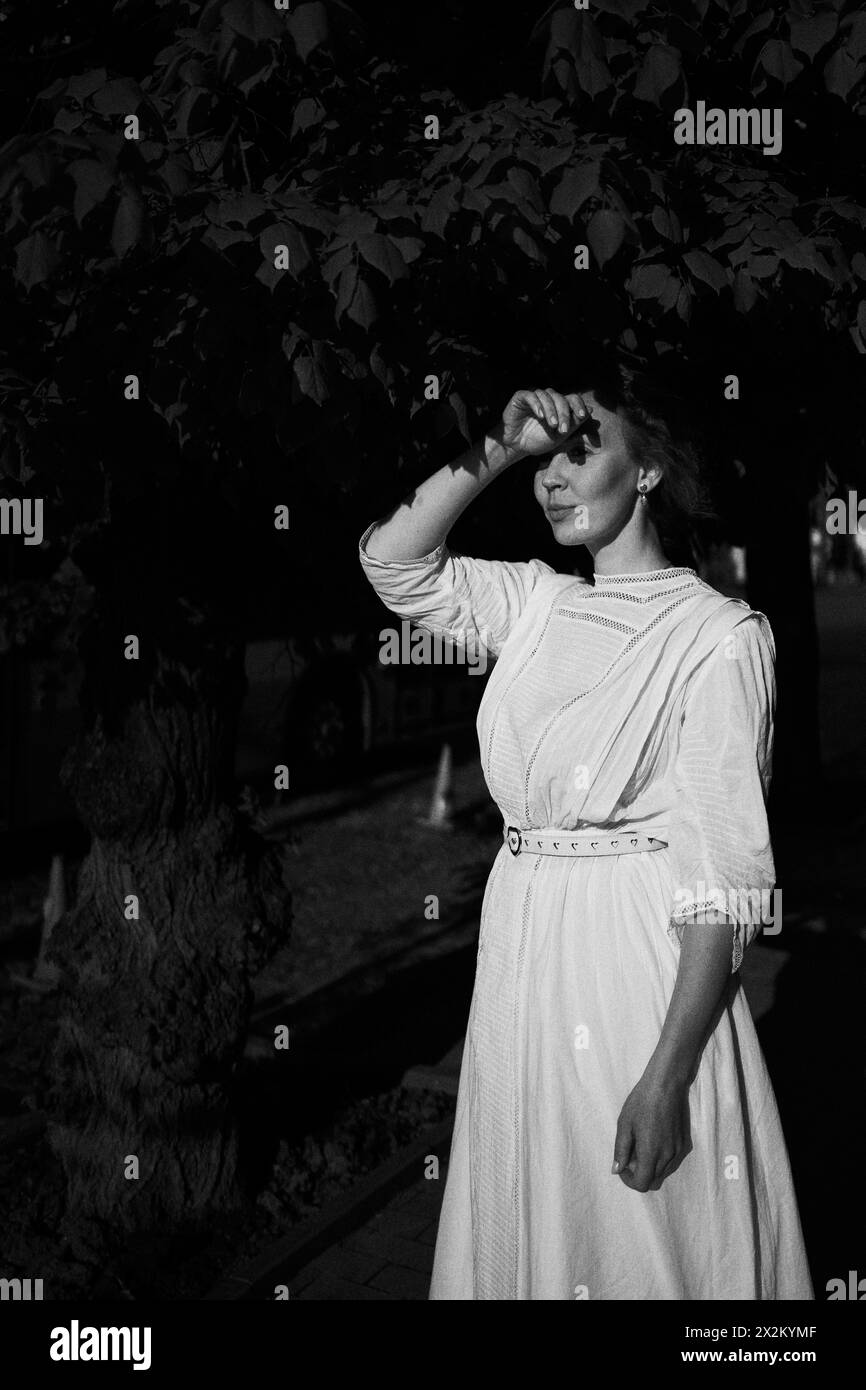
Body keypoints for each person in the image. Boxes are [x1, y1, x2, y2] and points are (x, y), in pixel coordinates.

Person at [358, 370, 814, 1301]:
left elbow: (724, 885)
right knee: (532, 1213)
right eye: (546, 462)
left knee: (640, 1234)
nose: (553, 479)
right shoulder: (534, 604)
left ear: (646, 474)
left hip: (631, 963)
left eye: (581, 451)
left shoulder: (718, 636)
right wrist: (501, 448)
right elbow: (392, 562)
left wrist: (668, 1073)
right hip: (522, 942)